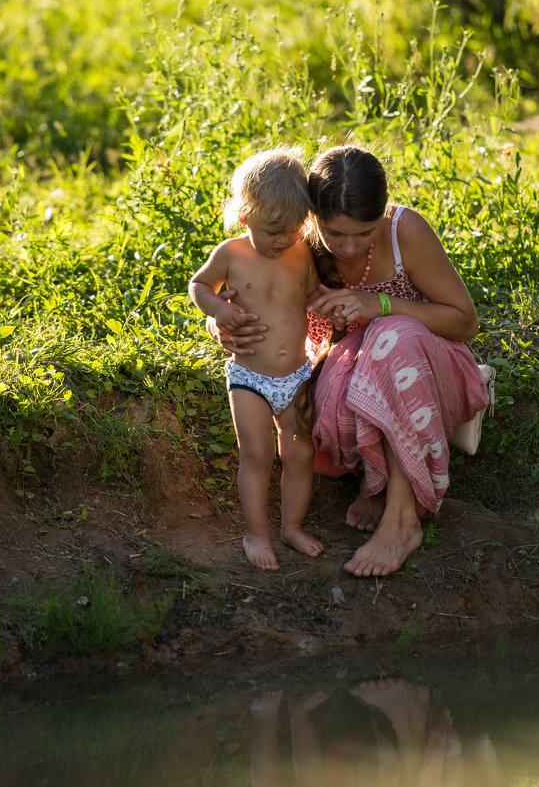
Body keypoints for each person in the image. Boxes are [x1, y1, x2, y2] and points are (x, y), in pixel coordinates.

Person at [208, 144, 489, 578]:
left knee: (389, 338)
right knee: (324, 393)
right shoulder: (294, 242)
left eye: (364, 232)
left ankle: (402, 517)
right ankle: (375, 482)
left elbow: (464, 322)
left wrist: (379, 304)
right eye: (335, 233)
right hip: (354, 368)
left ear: (382, 214)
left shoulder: (403, 232)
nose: (349, 245)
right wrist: (225, 326)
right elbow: (245, 295)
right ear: (313, 216)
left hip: (424, 365)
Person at [189, 147, 325, 571]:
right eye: (271, 231)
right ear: (244, 216)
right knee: (258, 455)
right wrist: (218, 311)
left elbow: (313, 295)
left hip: (297, 373)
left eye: (291, 230)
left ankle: (292, 527)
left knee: (300, 454)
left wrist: (330, 303)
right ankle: (256, 534)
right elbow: (199, 285)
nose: (281, 240)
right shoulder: (232, 253)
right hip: (250, 376)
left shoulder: (302, 253)